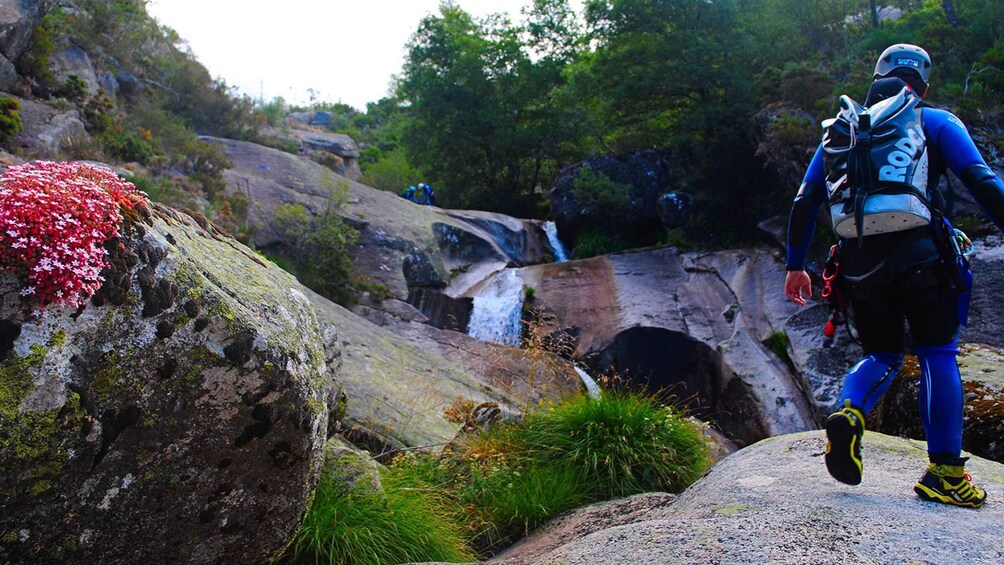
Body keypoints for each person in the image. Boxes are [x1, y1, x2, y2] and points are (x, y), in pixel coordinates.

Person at [784, 44, 1004, 508]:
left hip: (859, 265)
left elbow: (805, 201)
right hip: (925, 260)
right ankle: (945, 474)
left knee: (881, 353)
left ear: (876, 79)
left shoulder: (845, 130)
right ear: (922, 85)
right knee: (937, 354)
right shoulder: (934, 120)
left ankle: (849, 412)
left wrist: (794, 265)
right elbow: (981, 181)